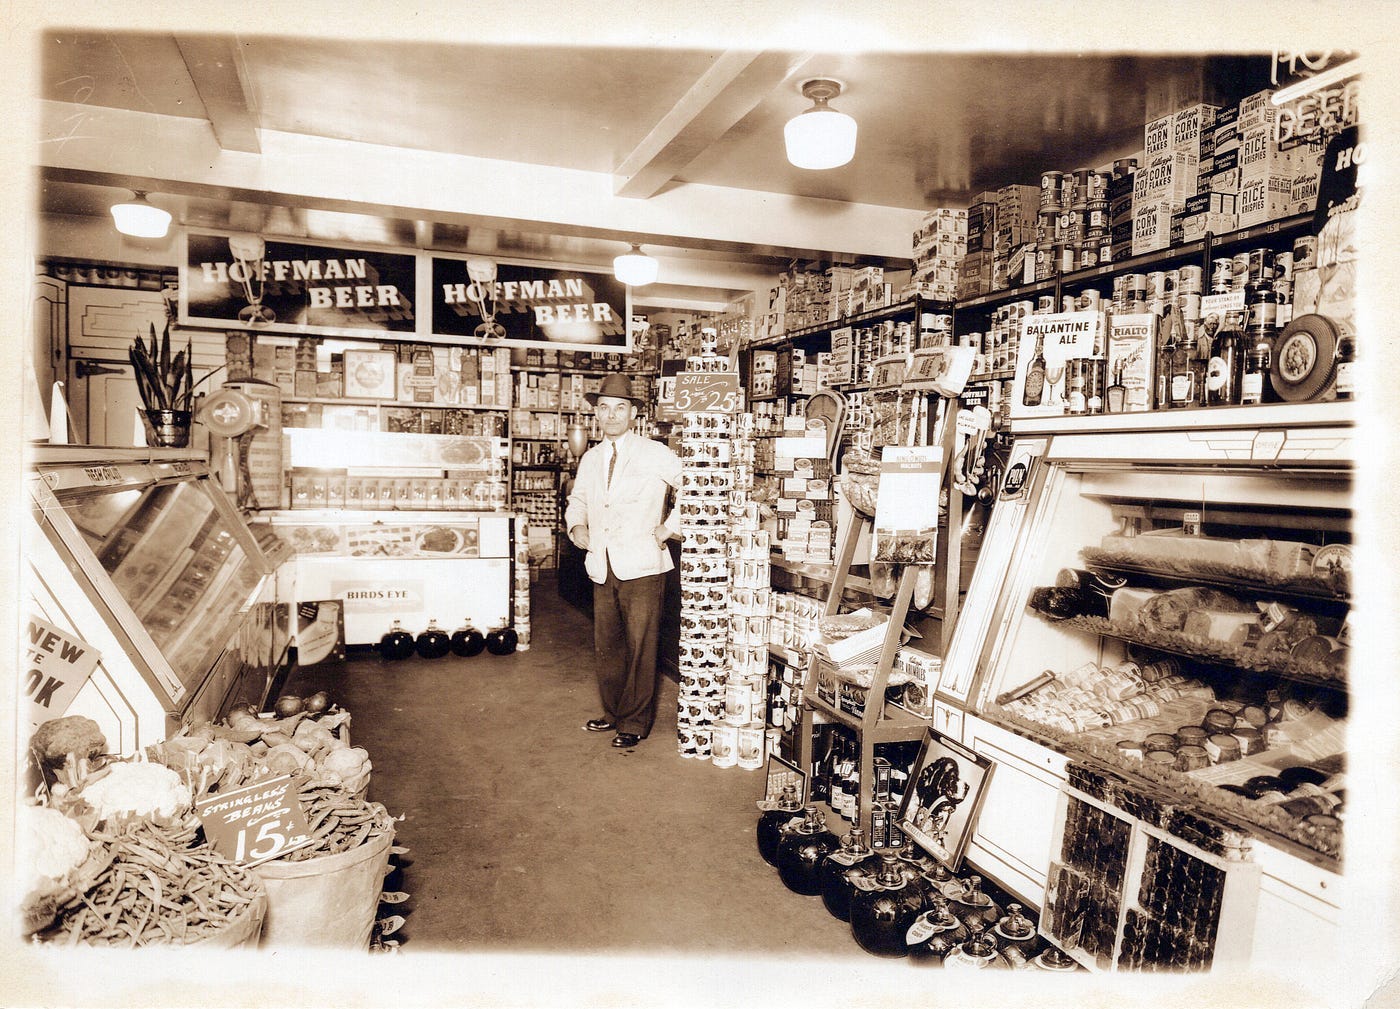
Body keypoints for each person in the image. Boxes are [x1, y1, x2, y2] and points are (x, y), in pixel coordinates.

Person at [564, 373, 681, 749]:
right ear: (596, 413)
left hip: (643, 564)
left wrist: (669, 527)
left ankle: (634, 721)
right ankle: (613, 711)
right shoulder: (591, 458)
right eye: (604, 408)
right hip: (603, 563)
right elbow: (578, 500)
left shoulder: (655, 452)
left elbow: (697, 485)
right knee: (609, 644)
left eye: (620, 408)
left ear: (633, 414)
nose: (611, 415)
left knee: (641, 645)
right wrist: (576, 525)